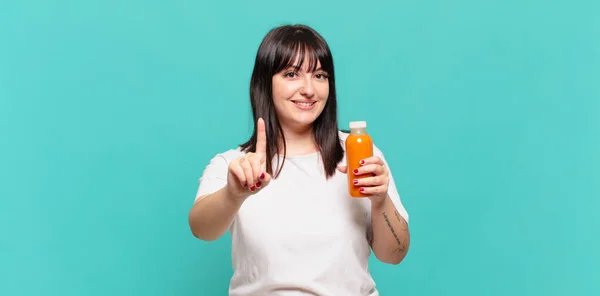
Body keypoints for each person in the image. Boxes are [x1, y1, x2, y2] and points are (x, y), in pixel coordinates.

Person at [188, 24, 410, 296]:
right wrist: (233, 195)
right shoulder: (236, 165)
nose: (308, 89)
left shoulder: (359, 154)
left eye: (319, 75)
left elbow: (394, 254)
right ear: (265, 82)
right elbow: (201, 230)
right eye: (291, 74)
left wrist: (380, 199)